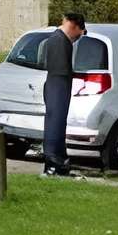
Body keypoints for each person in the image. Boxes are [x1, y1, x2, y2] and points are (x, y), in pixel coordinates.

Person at [40, 13, 88, 177]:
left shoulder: (59, 39)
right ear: (74, 26)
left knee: (58, 123)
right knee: (55, 122)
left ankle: (59, 161)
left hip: (58, 83)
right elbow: (61, 70)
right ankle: (53, 163)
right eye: (79, 34)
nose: (77, 39)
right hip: (58, 84)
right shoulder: (59, 40)